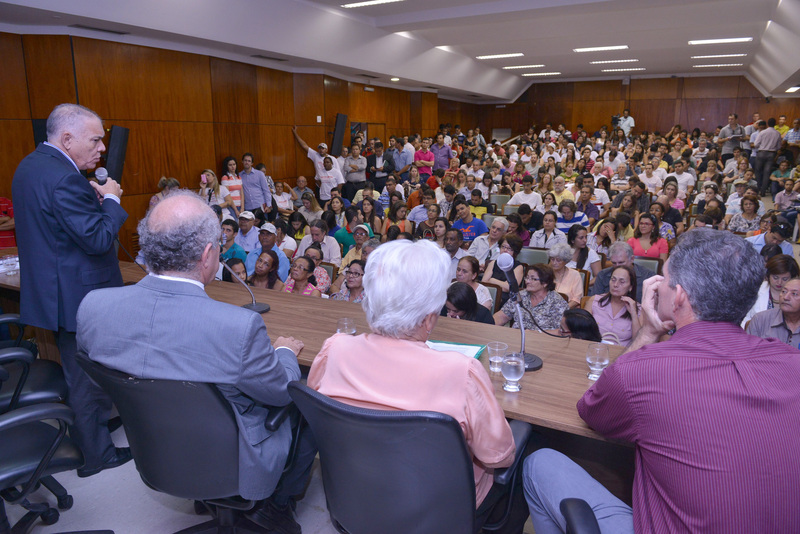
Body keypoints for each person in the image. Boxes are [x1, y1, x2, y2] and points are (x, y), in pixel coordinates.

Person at [523, 228, 800, 534]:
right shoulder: (793, 361)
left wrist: (647, 332)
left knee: (538, 463)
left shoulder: (645, 369)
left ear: (678, 296)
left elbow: (592, 410)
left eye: (663, 279)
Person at [77, 192, 313, 531]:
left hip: (154, 451)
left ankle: (210, 499)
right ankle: (275, 506)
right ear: (207, 254)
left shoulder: (93, 307)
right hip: (232, 461)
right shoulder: (237, 327)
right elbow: (280, 392)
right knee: (308, 401)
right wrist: (285, 352)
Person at [307, 239, 516, 513]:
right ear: (429, 319)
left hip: (355, 493)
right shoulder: (462, 372)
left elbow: (318, 412)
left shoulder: (334, 349)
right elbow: (498, 456)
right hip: (437, 508)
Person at [12, 103, 130, 477]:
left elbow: (58, 225)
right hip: (79, 294)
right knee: (87, 377)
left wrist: (90, 203)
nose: (102, 148)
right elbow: (97, 239)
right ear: (67, 139)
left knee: (81, 372)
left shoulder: (30, 166)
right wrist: (112, 200)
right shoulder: (65, 179)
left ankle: (93, 427)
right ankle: (97, 455)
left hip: (57, 289)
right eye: (95, 140)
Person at [493, 264, 568, 332]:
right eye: (527, 277)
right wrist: (490, 325)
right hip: (516, 336)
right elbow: (502, 316)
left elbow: (561, 331)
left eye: (533, 279)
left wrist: (535, 334)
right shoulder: (520, 295)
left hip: (542, 340)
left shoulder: (557, 301)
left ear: (545, 283)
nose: (527, 281)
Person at [583, 265, 640, 346]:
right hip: (595, 349)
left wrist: (633, 314)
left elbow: (638, 341)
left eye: (622, 282)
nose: (615, 285)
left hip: (623, 352)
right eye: (613, 280)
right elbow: (582, 331)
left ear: (630, 287)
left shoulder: (638, 309)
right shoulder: (594, 301)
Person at [741, 254, 800, 327]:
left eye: (784, 279)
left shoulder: (797, 292)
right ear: (768, 275)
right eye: (775, 278)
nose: (779, 282)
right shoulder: (756, 290)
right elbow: (744, 319)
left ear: (793, 278)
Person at [482, 234, 525, 305]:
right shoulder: (493, 263)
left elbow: (509, 288)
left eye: (509, 248)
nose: (505, 250)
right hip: (488, 295)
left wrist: (492, 280)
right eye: (503, 247)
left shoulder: (518, 266)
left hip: (507, 299)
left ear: (515, 251)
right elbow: (484, 283)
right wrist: (502, 284)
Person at [238, 153, 272, 224]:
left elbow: (266, 190)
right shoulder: (239, 176)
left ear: (252, 163)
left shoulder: (259, 174)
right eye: (245, 160)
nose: (247, 162)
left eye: (249, 161)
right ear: (242, 161)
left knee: (263, 227)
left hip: (260, 206)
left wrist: (269, 205)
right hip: (248, 208)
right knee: (249, 227)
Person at [548, 243, 584, 308]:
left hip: (567, 309)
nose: (554, 263)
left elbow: (576, 299)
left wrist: (563, 309)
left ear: (566, 261)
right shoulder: (546, 273)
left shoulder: (575, 275)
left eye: (558, 260)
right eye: (552, 259)